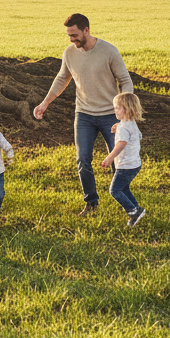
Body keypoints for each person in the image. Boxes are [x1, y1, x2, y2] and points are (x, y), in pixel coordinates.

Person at [33, 12, 134, 216]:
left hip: (110, 115)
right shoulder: (70, 53)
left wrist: (126, 111)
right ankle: (91, 203)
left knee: (118, 160)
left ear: (86, 30)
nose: (72, 39)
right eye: (69, 36)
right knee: (83, 160)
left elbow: (125, 80)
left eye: (75, 35)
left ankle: (126, 203)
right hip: (84, 115)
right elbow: (62, 78)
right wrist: (44, 104)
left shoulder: (108, 51)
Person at [102, 92, 147, 226]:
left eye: (117, 108)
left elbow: (121, 144)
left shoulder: (123, 127)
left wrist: (109, 157)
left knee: (114, 190)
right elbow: (138, 136)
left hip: (125, 166)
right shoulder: (130, 123)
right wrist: (119, 127)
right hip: (135, 164)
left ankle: (132, 211)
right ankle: (138, 209)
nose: (115, 110)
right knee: (124, 189)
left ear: (127, 109)